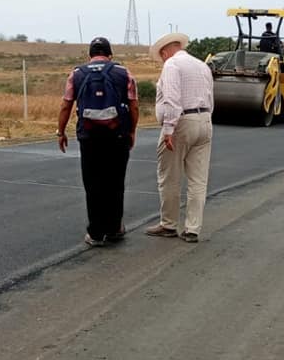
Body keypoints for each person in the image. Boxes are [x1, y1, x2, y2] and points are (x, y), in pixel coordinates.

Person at [57, 37, 139, 247]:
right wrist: (131, 131)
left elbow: (66, 105)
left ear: (90, 55)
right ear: (110, 55)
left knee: (93, 184)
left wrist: (61, 132)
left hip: (89, 137)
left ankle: (95, 233)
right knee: (115, 182)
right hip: (117, 135)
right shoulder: (124, 73)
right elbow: (134, 105)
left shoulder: (76, 74)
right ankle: (114, 228)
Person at [145, 32, 214, 243]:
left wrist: (169, 129)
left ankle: (168, 224)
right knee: (198, 180)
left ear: (165, 52)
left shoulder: (172, 65)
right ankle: (193, 228)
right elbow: (210, 97)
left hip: (182, 123)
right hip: (204, 120)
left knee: (170, 177)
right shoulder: (202, 66)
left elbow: (172, 98)